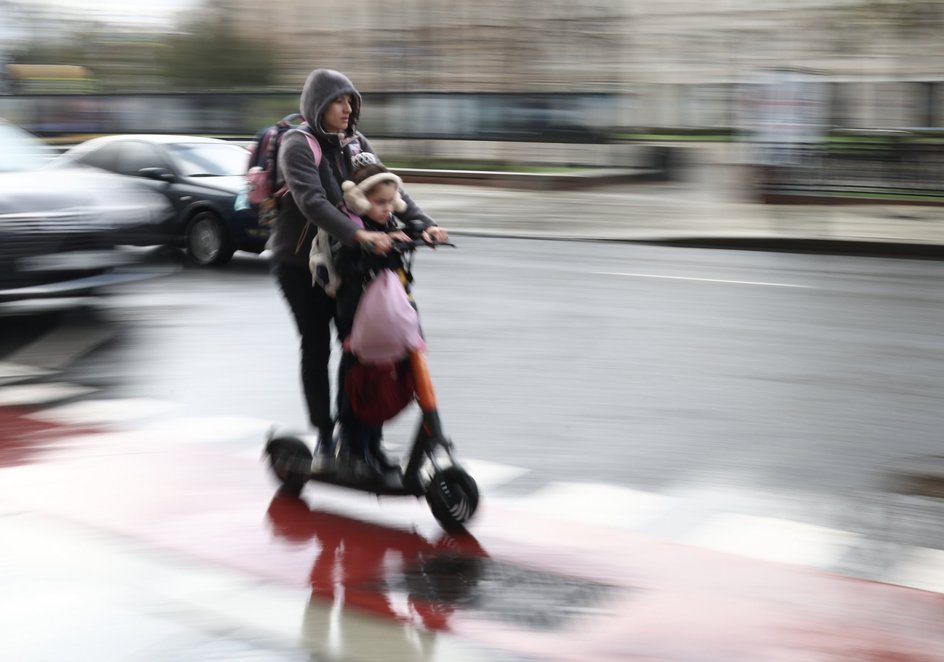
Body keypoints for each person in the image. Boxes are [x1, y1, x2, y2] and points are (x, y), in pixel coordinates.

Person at [269, 68, 446, 472]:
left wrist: (425, 224)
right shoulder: (297, 145)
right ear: (318, 105)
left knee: (363, 352)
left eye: (352, 101)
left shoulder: (356, 144)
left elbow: (389, 190)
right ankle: (326, 439)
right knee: (317, 347)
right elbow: (312, 201)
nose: (349, 108)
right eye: (339, 100)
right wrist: (359, 235)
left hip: (348, 261)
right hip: (301, 266)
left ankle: (361, 442)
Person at [333, 157, 446, 481]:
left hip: (388, 320)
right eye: (378, 202)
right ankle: (353, 450)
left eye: (389, 203)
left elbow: (410, 232)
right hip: (358, 322)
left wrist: (427, 232)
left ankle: (373, 447)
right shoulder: (353, 232)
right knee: (359, 383)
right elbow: (346, 267)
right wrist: (372, 249)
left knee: (383, 381)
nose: (385, 209)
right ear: (358, 200)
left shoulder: (387, 225)